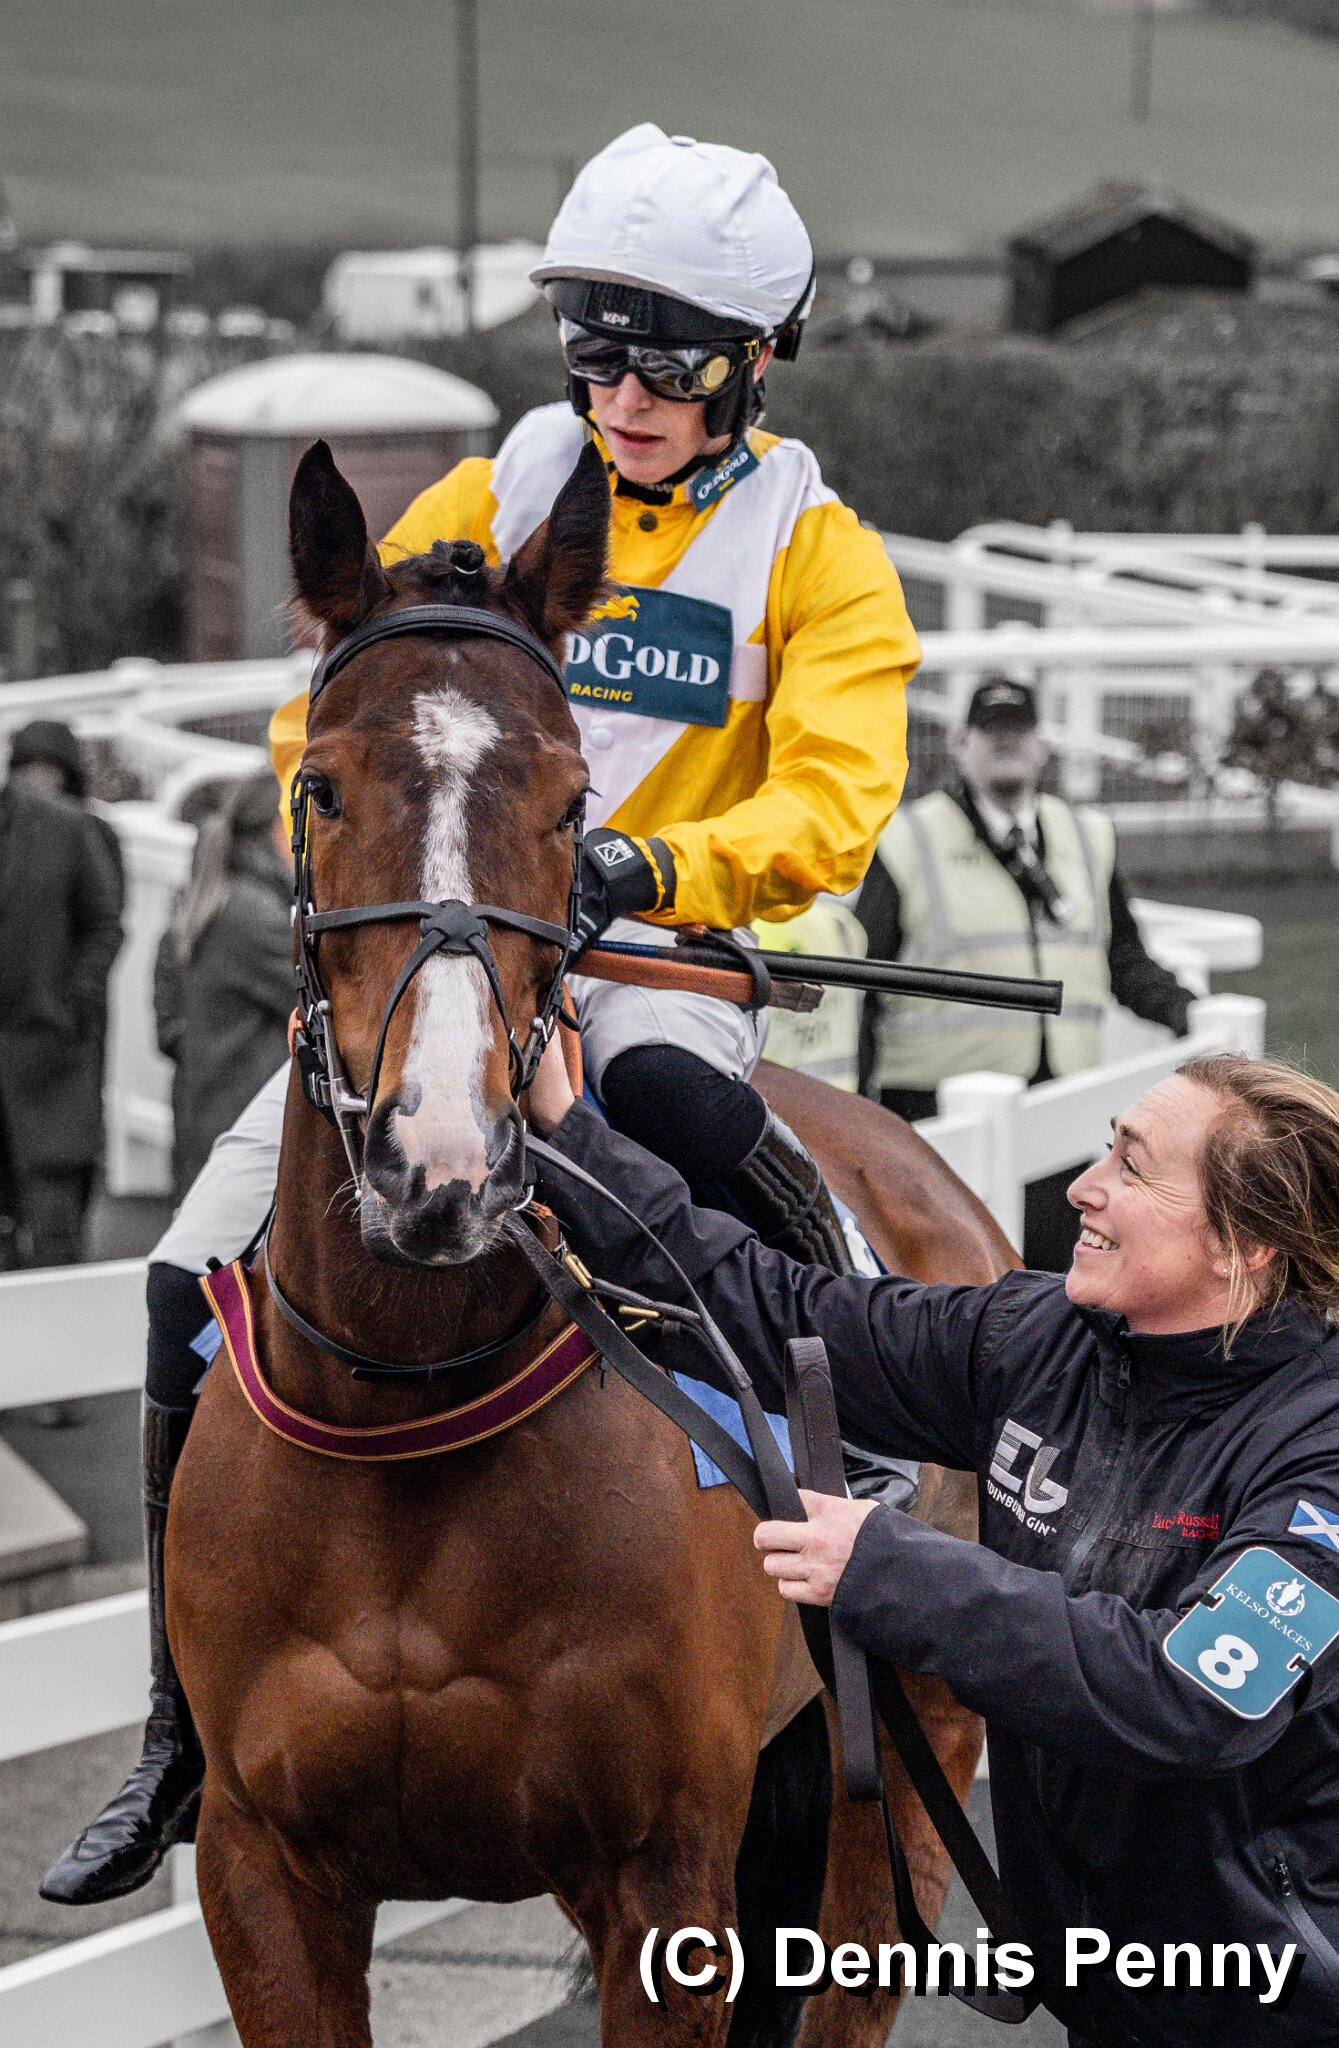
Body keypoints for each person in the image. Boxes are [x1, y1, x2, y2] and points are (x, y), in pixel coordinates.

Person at [43, 123, 919, 1907]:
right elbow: (338, 699)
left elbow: (833, 803)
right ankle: (176, 1728)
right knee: (184, 1266)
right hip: (433, 949)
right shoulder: (490, 485)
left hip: (650, 965)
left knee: (704, 1143)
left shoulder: (815, 556)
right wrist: (381, 850)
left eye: (668, 363)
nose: (624, 397)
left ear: (757, 359)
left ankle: (865, 1507)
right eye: (596, 353)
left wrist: (643, 866)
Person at [524, 1035, 1339, 2048]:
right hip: (1120, 1996)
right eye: (1105, 1147)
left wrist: (888, 1568)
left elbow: (1195, 1692)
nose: (1083, 1187)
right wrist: (570, 1136)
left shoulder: (1318, 1449)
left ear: (1243, 1246)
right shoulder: (1038, 1341)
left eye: (1131, 1168)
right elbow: (781, 1311)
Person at [857, 675, 1195, 1269]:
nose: (1006, 743)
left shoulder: (1087, 838)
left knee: (1057, 1279)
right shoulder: (910, 840)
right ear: (961, 745)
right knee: (953, 1282)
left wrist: (1188, 1012)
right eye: (991, 732)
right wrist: (862, 1109)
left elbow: (1123, 959)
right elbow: (865, 986)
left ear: (1042, 746)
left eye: (1019, 731)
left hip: (1063, 1105)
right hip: (937, 1107)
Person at [0, 731, 123, 1270]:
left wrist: (70, 1003)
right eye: (30, 766)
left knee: (56, 1227)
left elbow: (104, 923)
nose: (40, 777)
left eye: (49, 768)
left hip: (53, 1055)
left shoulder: (74, 828)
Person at [153, 772, 293, 1203]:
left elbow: (169, 1021)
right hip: (241, 1120)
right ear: (276, 829)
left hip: (208, 1110)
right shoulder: (256, 916)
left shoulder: (219, 897)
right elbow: (321, 1002)